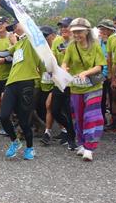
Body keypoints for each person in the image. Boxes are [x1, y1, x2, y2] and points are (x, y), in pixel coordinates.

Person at [62, 18, 106, 162]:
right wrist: (64, 69)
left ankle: (89, 147)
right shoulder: (71, 46)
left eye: (79, 31)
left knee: (91, 116)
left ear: (87, 31)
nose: (76, 35)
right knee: (78, 116)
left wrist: (85, 73)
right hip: (76, 87)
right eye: (74, 32)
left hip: (93, 86)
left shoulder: (95, 46)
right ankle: (81, 143)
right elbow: (65, 62)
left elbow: (99, 66)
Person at [0, 22, 41, 160]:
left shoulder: (31, 40)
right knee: (4, 115)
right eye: (13, 28)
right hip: (11, 83)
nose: (15, 29)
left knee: (24, 121)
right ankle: (14, 141)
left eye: (17, 25)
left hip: (27, 82)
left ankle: (30, 147)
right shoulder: (17, 45)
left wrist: (3, 3)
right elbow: (4, 53)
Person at [50, 17, 76, 148]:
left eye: (66, 26)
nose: (63, 29)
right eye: (61, 27)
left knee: (68, 110)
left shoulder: (76, 41)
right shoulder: (57, 41)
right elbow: (53, 58)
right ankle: (70, 130)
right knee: (54, 110)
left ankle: (72, 139)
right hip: (59, 81)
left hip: (73, 82)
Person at [36, 26, 56, 144]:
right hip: (43, 84)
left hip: (56, 84)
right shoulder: (39, 49)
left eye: (46, 36)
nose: (44, 38)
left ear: (53, 35)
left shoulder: (57, 48)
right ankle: (47, 128)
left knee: (52, 106)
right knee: (40, 106)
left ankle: (63, 131)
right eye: (42, 36)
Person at [96, 20, 115, 128]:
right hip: (101, 74)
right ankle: (101, 121)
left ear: (110, 30)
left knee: (113, 98)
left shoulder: (115, 40)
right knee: (100, 98)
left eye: (104, 29)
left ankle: (114, 121)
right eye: (101, 29)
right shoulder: (98, 42)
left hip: (112, 73)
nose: (102, 31)